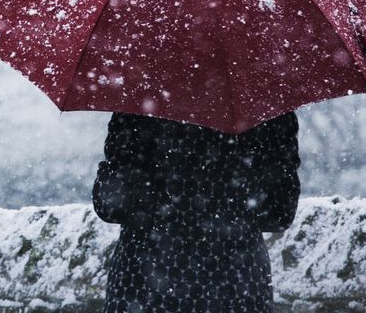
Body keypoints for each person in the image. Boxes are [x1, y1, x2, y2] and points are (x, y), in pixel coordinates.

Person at [92, 111, 300, 313]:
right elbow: (279, 213)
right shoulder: (264, 104)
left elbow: (110, 206)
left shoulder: (139, 101)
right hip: (237, 284)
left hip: (145, 283)